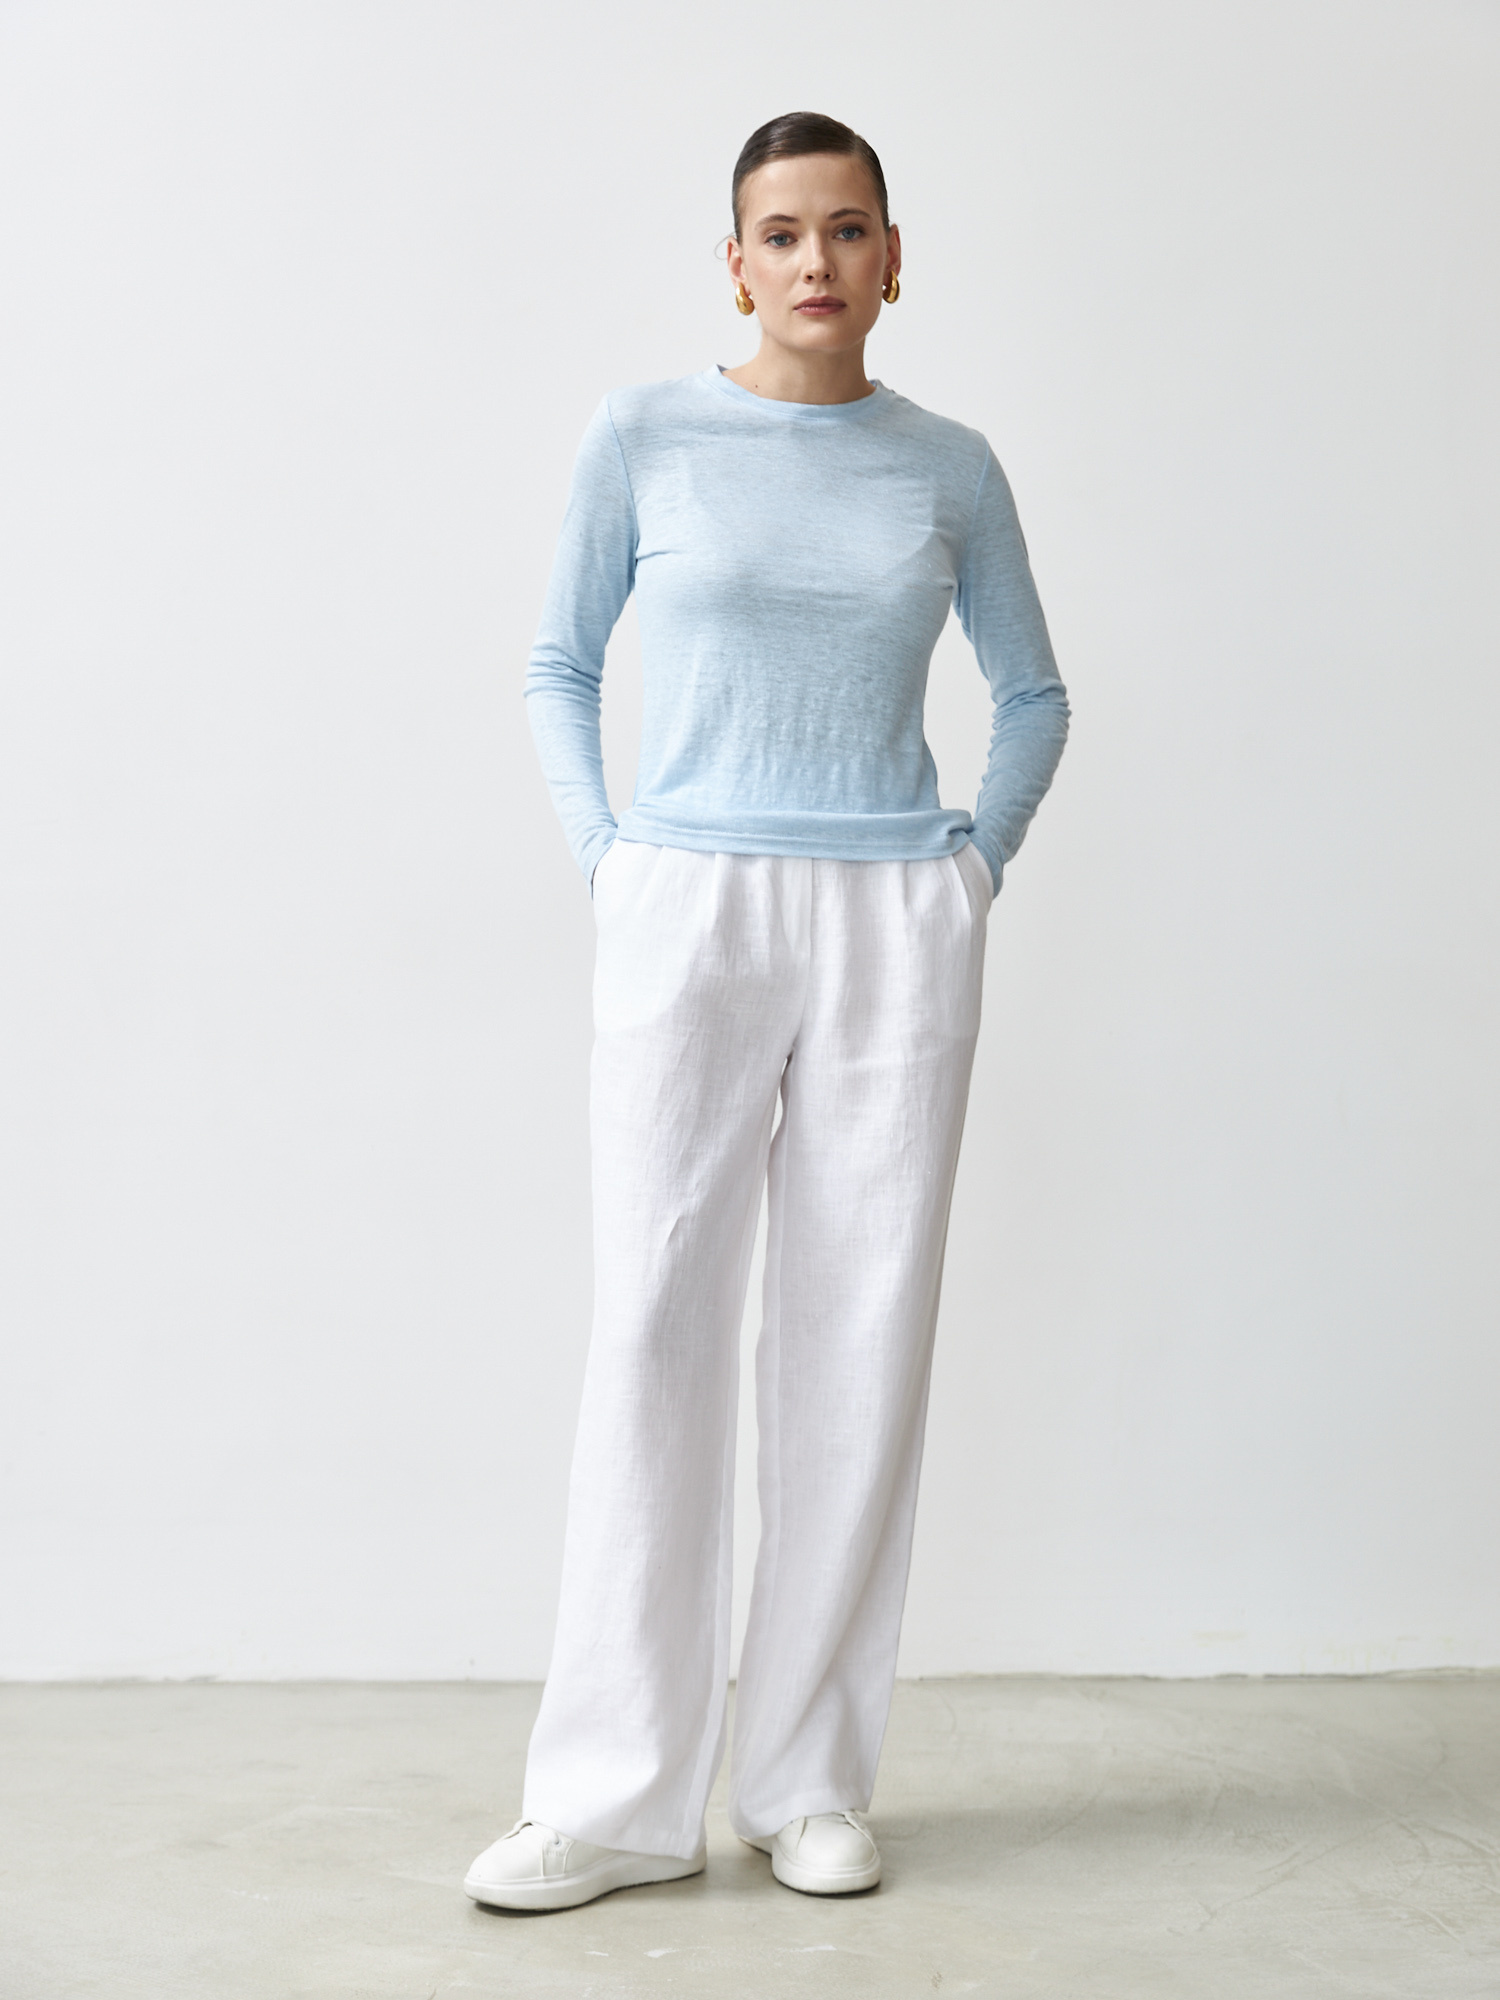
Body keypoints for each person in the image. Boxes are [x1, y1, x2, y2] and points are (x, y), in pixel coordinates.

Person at [465, 111, 1069, 1913]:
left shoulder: (950, 468)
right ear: (735, 264)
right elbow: (557, 661)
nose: (818, 261)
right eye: (783, 233)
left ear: (896, 257)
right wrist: (612, 856)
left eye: (849, 230)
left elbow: (1034, 693)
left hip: (893, 915)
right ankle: (612, 1798)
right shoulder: (643, 434)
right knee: (654, 1323)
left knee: (857, 1335)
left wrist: (969, 870)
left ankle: (807, 1780)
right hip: (692, 903)